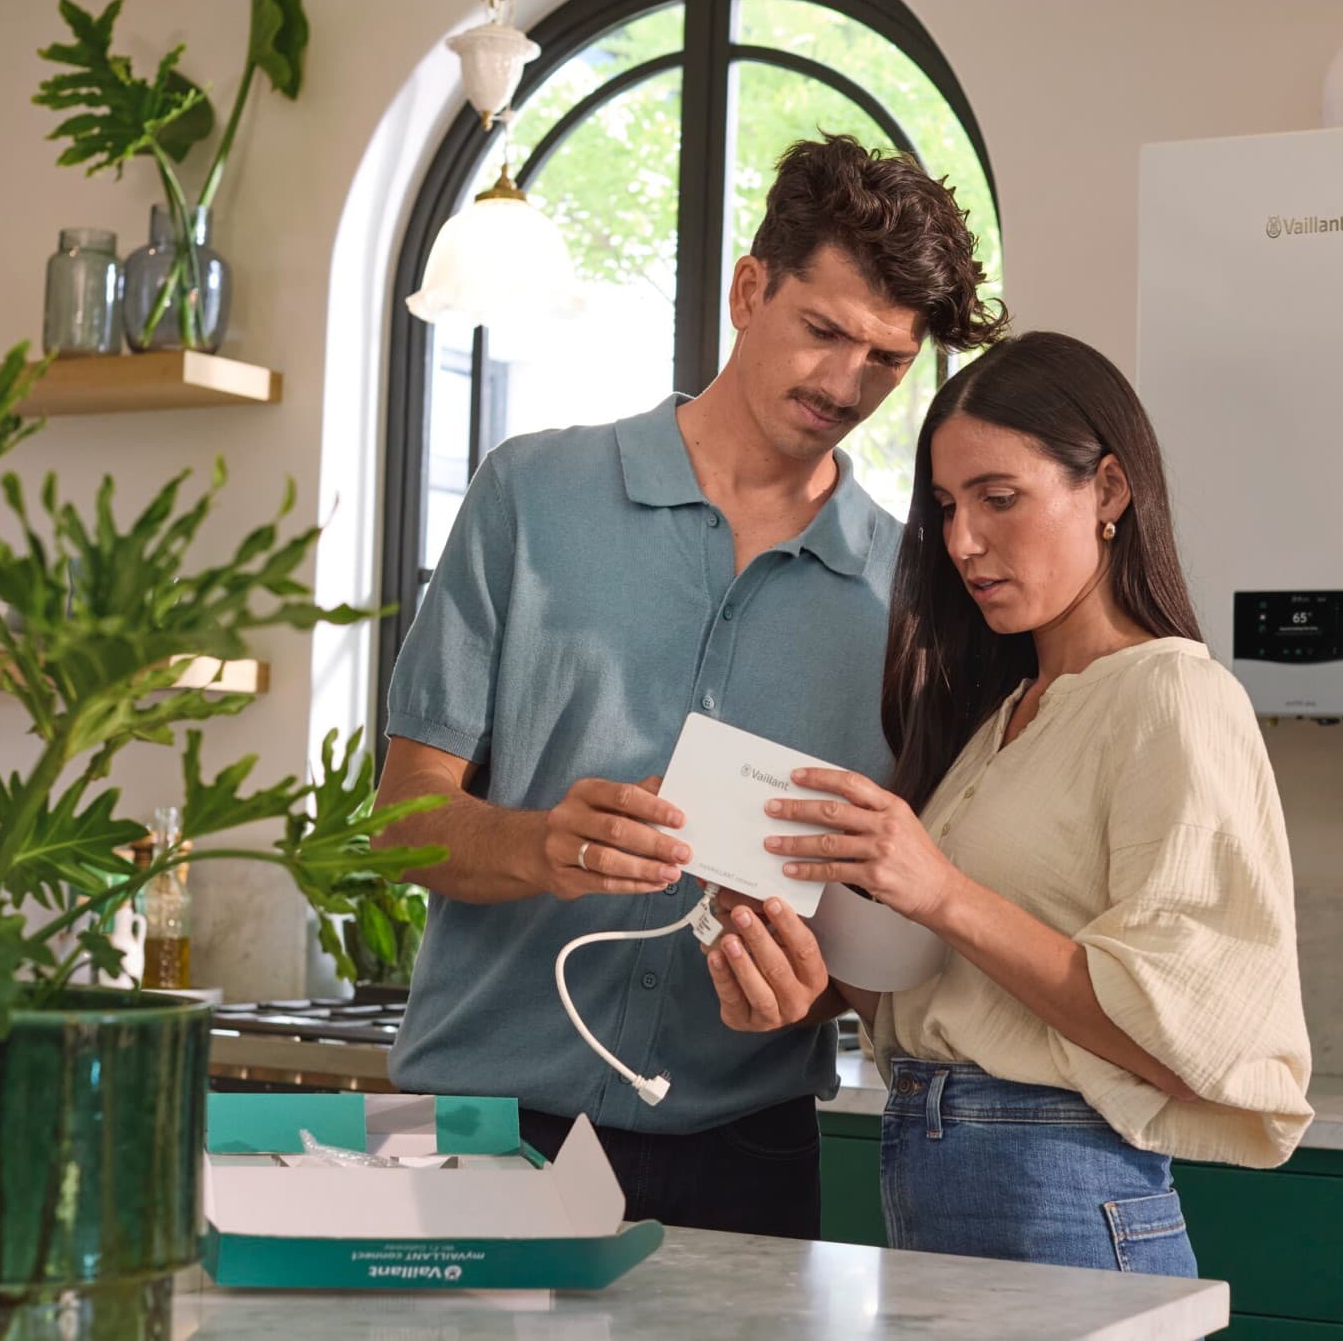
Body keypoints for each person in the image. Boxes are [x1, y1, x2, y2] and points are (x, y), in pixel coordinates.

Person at [371, 134, 1008, 1239]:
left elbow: (877, 925)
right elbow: (401, 823)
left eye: (887, 362)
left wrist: (817, 989)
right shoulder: (530, 494)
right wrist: (536, 847)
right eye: (823, 332)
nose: (845, 384)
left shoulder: (914, 603)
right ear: (748, 290)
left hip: (747, 1150)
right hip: (481, 1130)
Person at [708, 330, 1313, 1270]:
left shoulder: (1175, 698)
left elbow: (1183, 1041)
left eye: (1000, 500)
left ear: (1108, 491)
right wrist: (786, 939)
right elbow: (951, 997)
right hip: (933, 1164)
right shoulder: (995, 719)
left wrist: (940, 889)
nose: (962, 542)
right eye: (947, 508)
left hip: (1064, 1193)